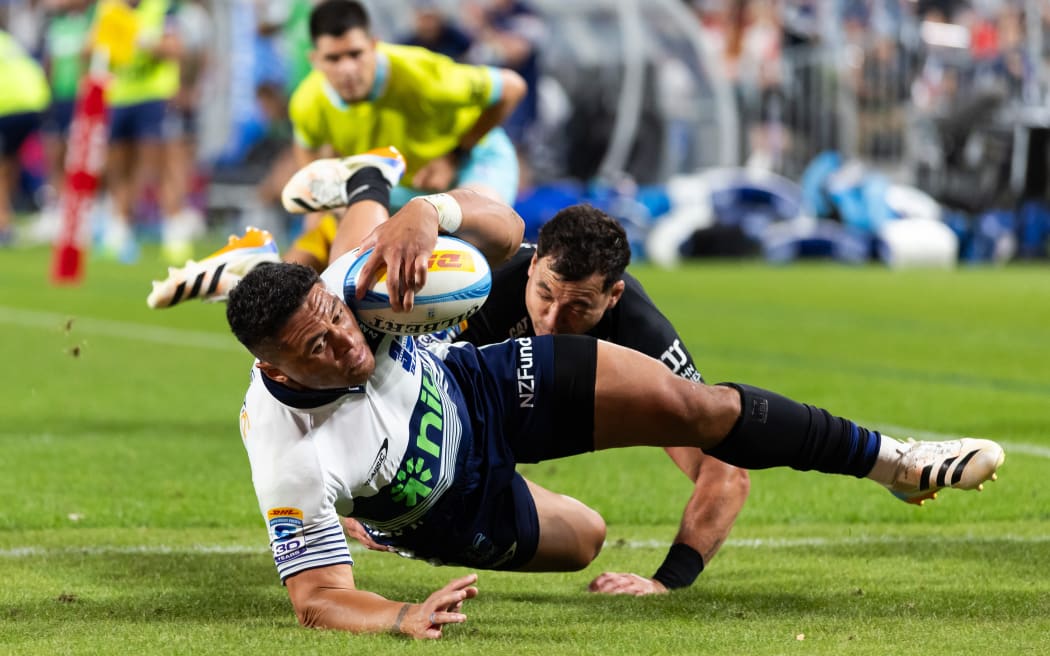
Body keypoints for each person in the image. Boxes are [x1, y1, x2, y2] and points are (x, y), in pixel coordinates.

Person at [224, 159, 1004, 638]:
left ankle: (892, 461)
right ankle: (389, 530)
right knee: (586, 540)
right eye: (319, 348)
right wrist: (399, 616)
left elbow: (500, 227)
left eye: (337, 323)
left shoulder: (349, 297)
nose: (347, 342)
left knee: (699, 410)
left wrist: (425, 209)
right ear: (277, 365)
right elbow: (319, 599)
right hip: (440, 507)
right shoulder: (287, 452)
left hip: (481, 390)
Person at [346, 204, 748, 596]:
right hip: (422, 420)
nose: (553, 321)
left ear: (613, 295)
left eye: (577, 307)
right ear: (534, 261)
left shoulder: (639, 330)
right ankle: (367, 184)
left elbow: (723, 468)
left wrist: (667, 581)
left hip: (482, 442)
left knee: (584, 538)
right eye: (545, 293)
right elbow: (362, 364)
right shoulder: (475, 282)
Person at [279, 0, 526, 272]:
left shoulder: (420, 73)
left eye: (355, 54)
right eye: (333, 59)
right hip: (399, 185)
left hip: (472, 157)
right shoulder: (307, 103)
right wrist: (320, 218)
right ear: (314, 59)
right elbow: (311, 164)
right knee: (339, 259)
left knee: (474, 247)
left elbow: (512, 87)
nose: (347, 69)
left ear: (374, 45)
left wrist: (453, 156)